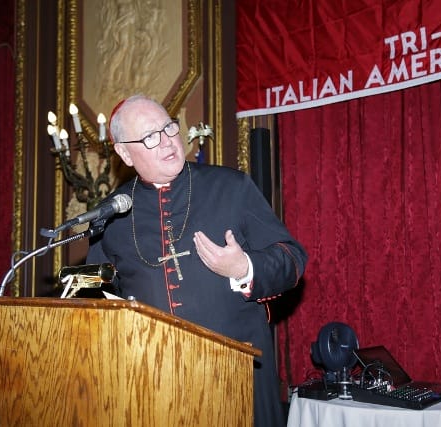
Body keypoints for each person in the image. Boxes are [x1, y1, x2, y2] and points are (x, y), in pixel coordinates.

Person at [86, 95, 308, 427]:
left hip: (236, 376)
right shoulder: (111, 212)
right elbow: (94, 293)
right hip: (156, 383)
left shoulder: (231, 186)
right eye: (150, 137)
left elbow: (293, 259)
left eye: (168, 127)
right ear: (125, 153)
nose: (167, 141)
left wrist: (243, 268)